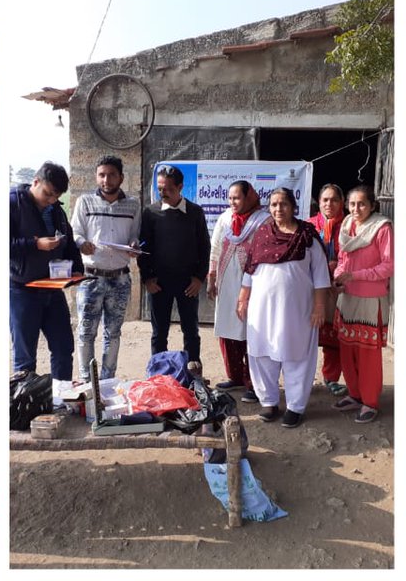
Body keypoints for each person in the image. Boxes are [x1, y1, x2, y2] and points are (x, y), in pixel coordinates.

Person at [236, 187, 330, 427]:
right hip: (262, 310)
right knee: (262, 353)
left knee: (297, 355)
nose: (278, 209)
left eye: (283, 204)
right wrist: (243, 298)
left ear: (293, 207)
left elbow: (320, 275)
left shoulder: (307, 236)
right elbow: (250, 270)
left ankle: (295, 406)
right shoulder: (262, 234)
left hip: (298, 311)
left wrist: (320, 307)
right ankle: (268, 401)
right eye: (274, 204)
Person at [9, 163, 83, 382]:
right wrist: (35, 244)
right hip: (23, 290)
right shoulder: (13, 203)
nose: (50, 200)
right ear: (35, 182)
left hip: (52, 289)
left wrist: (77, 268)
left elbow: (68, 242)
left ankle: (61, 400)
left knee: (63, 348)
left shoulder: (56, 210)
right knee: (25, 358)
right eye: (47, 194)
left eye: (55, 196)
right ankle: (27, 405)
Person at [71, 155, 141, 382]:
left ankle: (107, 381)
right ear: (96, 176)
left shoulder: (132, 205)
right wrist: (82, 244)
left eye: (111, 175)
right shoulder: (85, 202)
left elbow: (135, 236)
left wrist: (134, 246)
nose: (106, 180)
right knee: (86, 332)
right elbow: (75, 232)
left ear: (121, 177)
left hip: (120, 279)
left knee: (113, 333)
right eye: (102, 175)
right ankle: (86, 382)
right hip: (91, 278)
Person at [138, 164, 210, 370]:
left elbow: (204, 247)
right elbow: (144, 247)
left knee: (190, 330)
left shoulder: (195, 212)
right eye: (160, 189)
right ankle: (159, 375)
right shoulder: (151, 213)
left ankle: (193, 374)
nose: (163, 193)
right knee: (159, 332)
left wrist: (199, 278)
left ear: (180, 187)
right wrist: (147, 278)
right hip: (159, 284)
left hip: (188, 283)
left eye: (168, 189)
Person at [332, 183, 393, 424]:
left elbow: (389, 266)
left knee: (367, 355)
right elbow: (342, 259)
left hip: (370, 300)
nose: (356, 209)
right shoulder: (346, 226)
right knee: (348, 350)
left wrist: (355, 275)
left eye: (362, 204)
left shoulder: (382, 228)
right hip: (347, 297)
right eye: (352, 204)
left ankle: (370, 402)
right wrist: (339, 275)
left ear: (372, 205)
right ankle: (355, 395)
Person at [206, 180, 268, 401]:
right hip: (226, 281)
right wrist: (211, 277)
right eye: (230, 198)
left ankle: (254, 383)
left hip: (251, 283)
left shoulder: (264, 220)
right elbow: (215, 249)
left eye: (237, 198)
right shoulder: (225, 218)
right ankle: (235, 377)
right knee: (227, 328)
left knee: (250, 331)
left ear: (249, 196)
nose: (233, 202)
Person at [309, 183, 347, 396]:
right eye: (325, 200)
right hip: (312, 287)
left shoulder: (350, 225)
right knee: (308, 335)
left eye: (333, 200)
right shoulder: (309, 225)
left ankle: (331, 378)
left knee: (335, 336)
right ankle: (303, 378)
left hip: (339, 288)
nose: (329, 204)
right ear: (319, 202)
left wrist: (337, 267)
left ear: (341, 203)